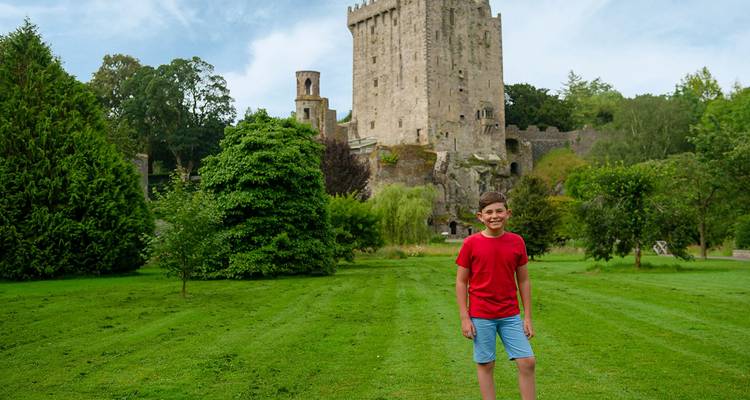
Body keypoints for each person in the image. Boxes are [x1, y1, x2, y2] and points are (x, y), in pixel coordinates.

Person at [455, 191, 536, 400]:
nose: (494, 216)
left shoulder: (517, 242)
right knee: (486, 364)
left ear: (507, 213)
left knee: (527, 362)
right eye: (489, 212)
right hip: (481, 315)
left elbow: (524, 281)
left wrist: (527, 317)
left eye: (499, 211)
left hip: (510, 314)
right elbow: (461, 281)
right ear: (480, 216)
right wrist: (465, 318)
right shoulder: (470, 244)